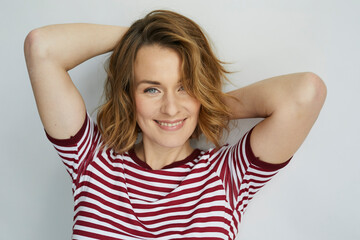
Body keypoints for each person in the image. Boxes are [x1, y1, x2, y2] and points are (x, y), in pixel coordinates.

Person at [24, 10, 326, 240]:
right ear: (130, 97)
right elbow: (42, 48)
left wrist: (205, 104)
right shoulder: (92, 161)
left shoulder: (225, 177)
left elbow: (306, 92)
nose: (170, 108)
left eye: (184, 87)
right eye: (152, 89)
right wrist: (138, 39)